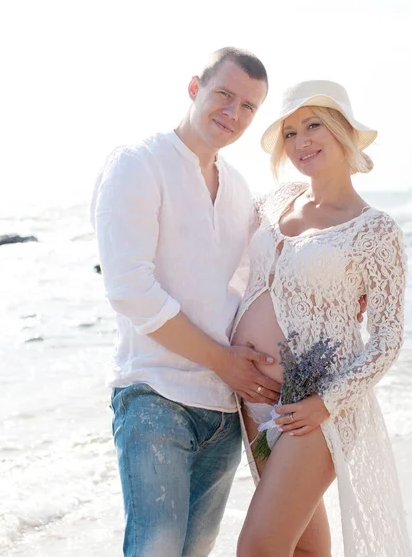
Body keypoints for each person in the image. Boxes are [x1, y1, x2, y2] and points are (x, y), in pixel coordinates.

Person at [90, 47, 282, 557]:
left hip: (222, 408)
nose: (234, 113)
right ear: (195, 87)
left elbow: (257, 283)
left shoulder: (240, 188)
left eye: (248, 107)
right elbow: (129, 289)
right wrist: (224, 360)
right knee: (155, 549)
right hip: (154, 395)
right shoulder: (138, 164)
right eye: (225, 95)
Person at [231, 80, 412, 556]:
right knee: (303, 550)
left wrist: (326, 403)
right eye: (289, 133)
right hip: (254, 399)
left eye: (313, 126)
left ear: (342, 131)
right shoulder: (276, 201)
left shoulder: (374, 229)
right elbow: (219, 242)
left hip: (315, 408)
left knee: (257, 548)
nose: (301, 141)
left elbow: (387, 339)